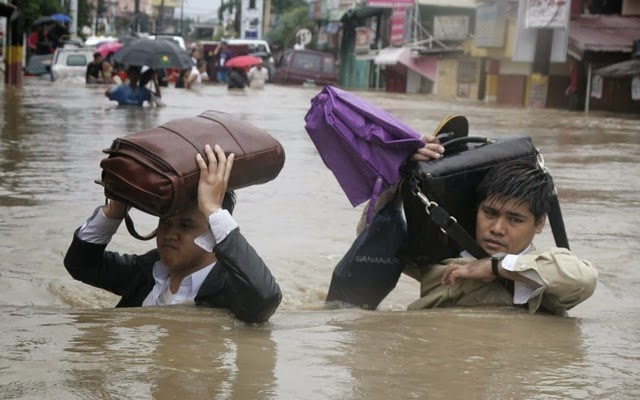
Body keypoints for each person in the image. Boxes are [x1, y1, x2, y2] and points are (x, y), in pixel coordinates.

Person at [63, 144, 282, 323]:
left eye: (186, 225)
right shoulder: (148, 270)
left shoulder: (228, 287)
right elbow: (80, 265)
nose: (170, 234)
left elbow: (265, 299)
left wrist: (213, 210)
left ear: (214, 233)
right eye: (166, 222)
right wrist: (115, 210)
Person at [399, 146, 598, 314]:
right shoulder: (436, 256)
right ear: (476, 209)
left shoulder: (545, 275)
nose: (497, 228)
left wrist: (495, 267)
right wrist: (399, 169)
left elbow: (586, 280)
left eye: (514, 219)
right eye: (490, 213)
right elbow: (373, 250)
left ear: (539, 224)